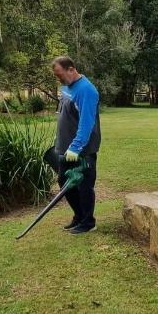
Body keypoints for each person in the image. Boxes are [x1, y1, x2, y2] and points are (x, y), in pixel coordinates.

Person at [52, 56, 101, 234]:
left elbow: (86, 123)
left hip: (82, 149)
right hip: (65, 146)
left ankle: (88, 222)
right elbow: (66, 115)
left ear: (71, 69)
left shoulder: (87, 90)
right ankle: (79, 216)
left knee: (84, 185)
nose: (59, 79)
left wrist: (75, 147)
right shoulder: (67, 87)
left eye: (60, 75)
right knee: (64, 181)